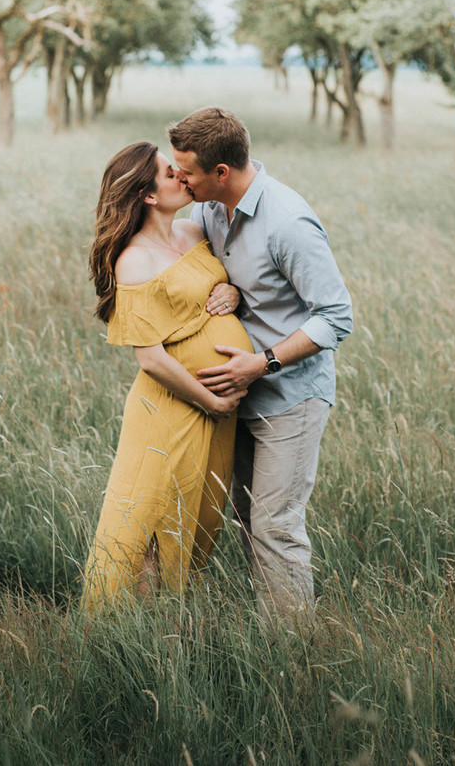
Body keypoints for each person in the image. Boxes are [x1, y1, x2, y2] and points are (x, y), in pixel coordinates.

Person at [168, 108, 353, 619]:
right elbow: (208, 271)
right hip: (236, 397)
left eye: (187, 170)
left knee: (276, 525)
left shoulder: (288, 222)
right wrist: (225, 283)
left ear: (221, 172)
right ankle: (275, 631)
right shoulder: (206, 210)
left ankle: (293, 657)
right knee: (249, 518)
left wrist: (263, 362)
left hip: (290, 395)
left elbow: (336, 317)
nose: (179, 178)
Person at [82, 141, 253, 609]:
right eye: (168, 172)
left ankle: (173, 620)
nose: (182, 174)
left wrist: (231, 293)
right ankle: (134, 633)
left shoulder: (195, 231)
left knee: (198, 515)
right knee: (150, 520)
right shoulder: (134, 260)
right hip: (172, 408)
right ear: (148, 196)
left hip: (212, 411)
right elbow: (151, 359)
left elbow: (218, 284)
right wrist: (211, 399)